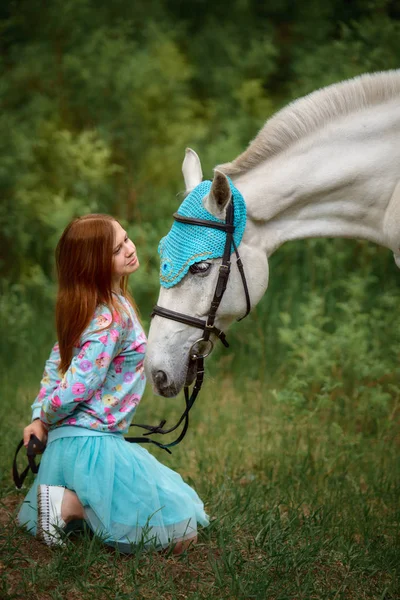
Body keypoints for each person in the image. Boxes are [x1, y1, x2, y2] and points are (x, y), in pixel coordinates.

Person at [18, 214, 209, 552]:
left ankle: (73, 506)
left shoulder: (96, 305)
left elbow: (54, 363)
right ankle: (68, 505)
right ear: (93, 264)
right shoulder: (109, 318)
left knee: (173, 506)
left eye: (126, 239)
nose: (130, 249)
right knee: (180, 534)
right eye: (116, 249)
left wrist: (37, 414)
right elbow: (79, 383)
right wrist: (44, 417)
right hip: (91, 444)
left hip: (80, 440)